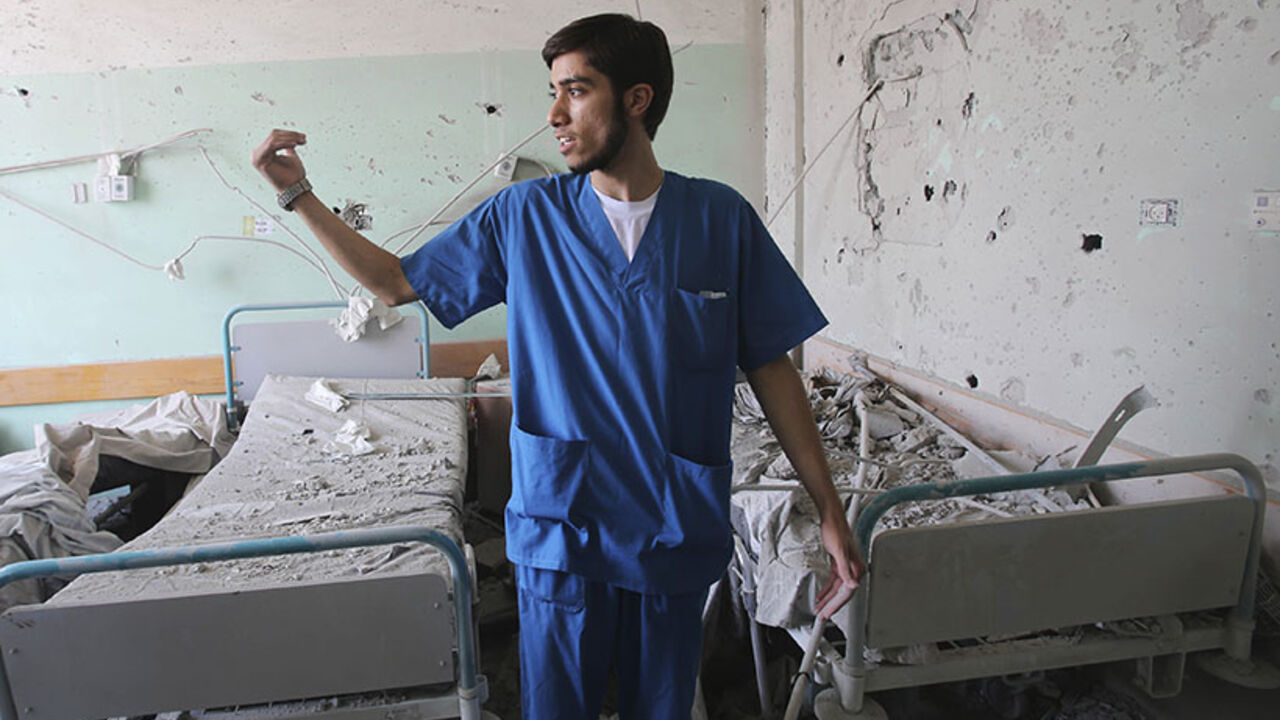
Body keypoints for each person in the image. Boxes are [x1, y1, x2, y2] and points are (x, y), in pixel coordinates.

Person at [252, 13, 863, 719]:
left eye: (574, 91)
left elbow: (773, 367)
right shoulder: (523, 218)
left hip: (672, 527)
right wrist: (297, 195)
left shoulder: (719, 221)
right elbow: (393, 284)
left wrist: (829, 510)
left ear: (635, 100)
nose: (553, 115)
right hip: (563, 529)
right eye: (553, 91)